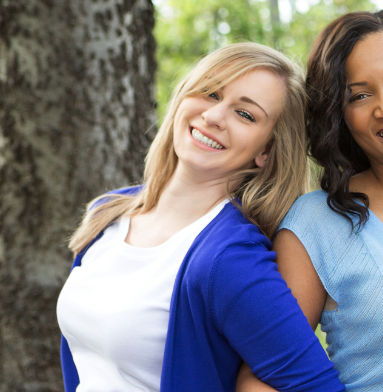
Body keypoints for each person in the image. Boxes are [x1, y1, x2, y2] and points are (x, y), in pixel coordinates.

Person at [57, 43, 344, 392]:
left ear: (266, 151)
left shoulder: (230, 259)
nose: (214, 116)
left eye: (245, 114)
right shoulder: (108, 211)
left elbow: (317, 386)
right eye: (210, 92)